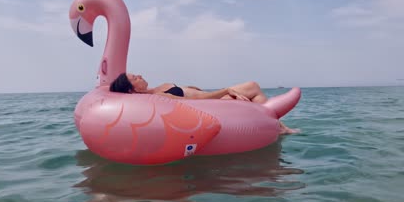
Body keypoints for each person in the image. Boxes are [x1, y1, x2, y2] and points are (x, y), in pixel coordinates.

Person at [109, 73, 300, 134]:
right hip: (212, 103)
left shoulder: (158, 89)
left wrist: (194, 87)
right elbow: (194, 100)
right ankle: (279, 127)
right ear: (132, 90)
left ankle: (277, 127)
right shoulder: (159, 96)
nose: (140, 75)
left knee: (252, 90)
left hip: (210, 97)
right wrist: (226, 90)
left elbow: (191, 91)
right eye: (135, 77)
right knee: (252, 86)